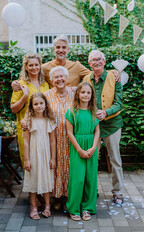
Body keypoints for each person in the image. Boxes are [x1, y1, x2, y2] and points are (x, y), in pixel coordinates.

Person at [83, 50, 124, 204]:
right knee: (92, 159)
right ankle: (92, 191)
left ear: (105, 61)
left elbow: (119, 103)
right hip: (93, 126)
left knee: (115, 159)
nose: (97, 62)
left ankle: (118, 192)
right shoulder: (86, 78)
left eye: (99, 59)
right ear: (89, 63)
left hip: (112, 125)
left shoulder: (114, 76)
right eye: (93, 60)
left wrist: (106, 112)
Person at [65, 81, 100, 221]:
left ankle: (87, 208)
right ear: (78, 94)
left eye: (88, 92)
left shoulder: (94, 111)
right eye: (83, 92)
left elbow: (97, 131)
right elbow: (69, 133)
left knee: (90, 178)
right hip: (77, 147)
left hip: (92, 147)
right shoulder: (72, 112)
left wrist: (93, 147)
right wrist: (79, 149)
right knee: (78, 179)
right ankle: (73, 208)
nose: (86, 95)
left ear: (92, 95)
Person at [11, 53, 49, 169]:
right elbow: (13, 109)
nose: (34, 68)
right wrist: (25, 96)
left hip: (43, 127)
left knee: (42, 160)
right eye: (31, 65)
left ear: (40, 66)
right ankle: (30, 187)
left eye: (36, 65)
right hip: (26, 127)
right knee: (29, 161)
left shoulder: (45, 84)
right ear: (26, 67)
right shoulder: (21, 85)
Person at [11, 35, 91, 90]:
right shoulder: (45, 68)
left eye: (64, 47)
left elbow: (94, 77)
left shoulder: (76, 66)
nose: (61, 50)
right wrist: (15, 83)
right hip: (54, 107)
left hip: (73, 107)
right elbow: (30, 77)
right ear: (53, 49)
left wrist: (80, 88)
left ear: (68, 49)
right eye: (58, 47)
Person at [44, 66, 74, 210]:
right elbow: (35, 110)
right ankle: (56, 196)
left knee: (69, 166)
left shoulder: (74, 95)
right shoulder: (46, 95)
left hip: (70, 138)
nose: (59, 79)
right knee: (54, 166)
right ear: (51, 79)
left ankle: (68, 196)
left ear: (67, 78)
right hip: (52, 138)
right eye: (56, 77)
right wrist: (26, 121)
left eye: (62, 76)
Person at [23, 92, 56, 220]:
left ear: (46, 104)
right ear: (31, 106)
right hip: (33, 155)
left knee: (47, 179)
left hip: (46, 155)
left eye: (41, 103)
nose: (39, 106)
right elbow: (26, 141)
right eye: (35, 104)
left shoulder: (49, 120)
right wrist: (26, 159)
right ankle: (33, 207)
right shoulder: (28, 121)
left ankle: (47, 206)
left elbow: (53, 140)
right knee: (33, 179)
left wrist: (53, 158)